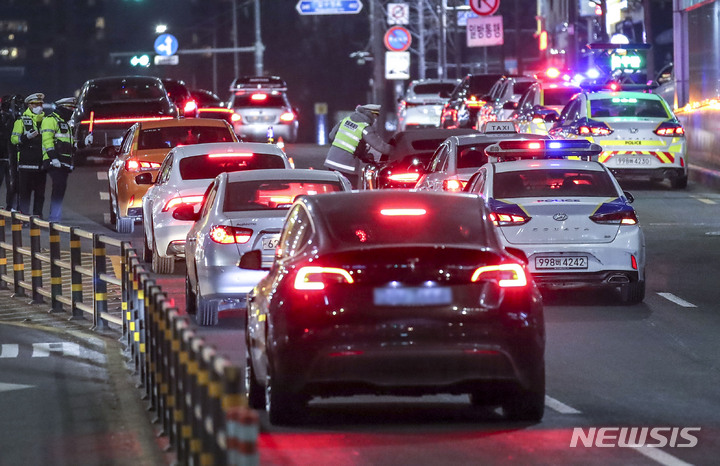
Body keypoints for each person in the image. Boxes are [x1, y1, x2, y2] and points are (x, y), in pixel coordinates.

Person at [324, 104, 393, 188]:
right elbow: (381, 146)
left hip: (331, 161)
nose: (375, 120)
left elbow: (331, 136)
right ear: (369, 114)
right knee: (350, 193)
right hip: (346, 166)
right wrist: (396, 149)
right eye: (374, 117)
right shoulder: (364, 127)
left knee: (335, 190)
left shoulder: (345, 120)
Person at [41, 97, 77, 223]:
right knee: (58, 187)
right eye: (70, 108)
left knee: (61, 188)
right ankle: (54, 217)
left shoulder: (66, 123)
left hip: (64, 162)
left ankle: (56, 215)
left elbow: (69, 144)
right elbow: (47, 140)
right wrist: (53, 157)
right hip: (53, 160)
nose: (72, 111)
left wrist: (83, 143)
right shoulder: (50, 120)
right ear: (62, 107)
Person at [10, 93, 46, 217]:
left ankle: (37, 216)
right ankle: (24, 216)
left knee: (40, 193)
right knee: (25, 192)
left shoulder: (46, 121)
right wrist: (26, 137)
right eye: (36, 104)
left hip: (41, 162)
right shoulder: (21, 121)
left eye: (40, 104)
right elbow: (14, 139)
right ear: (29, 105)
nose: (39, 107)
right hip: (26, 163)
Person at [0, 95, 14, 209]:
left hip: (10, 156)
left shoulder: (12, 118)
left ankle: (10, 206)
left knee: (12, 184)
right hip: (1, 155)